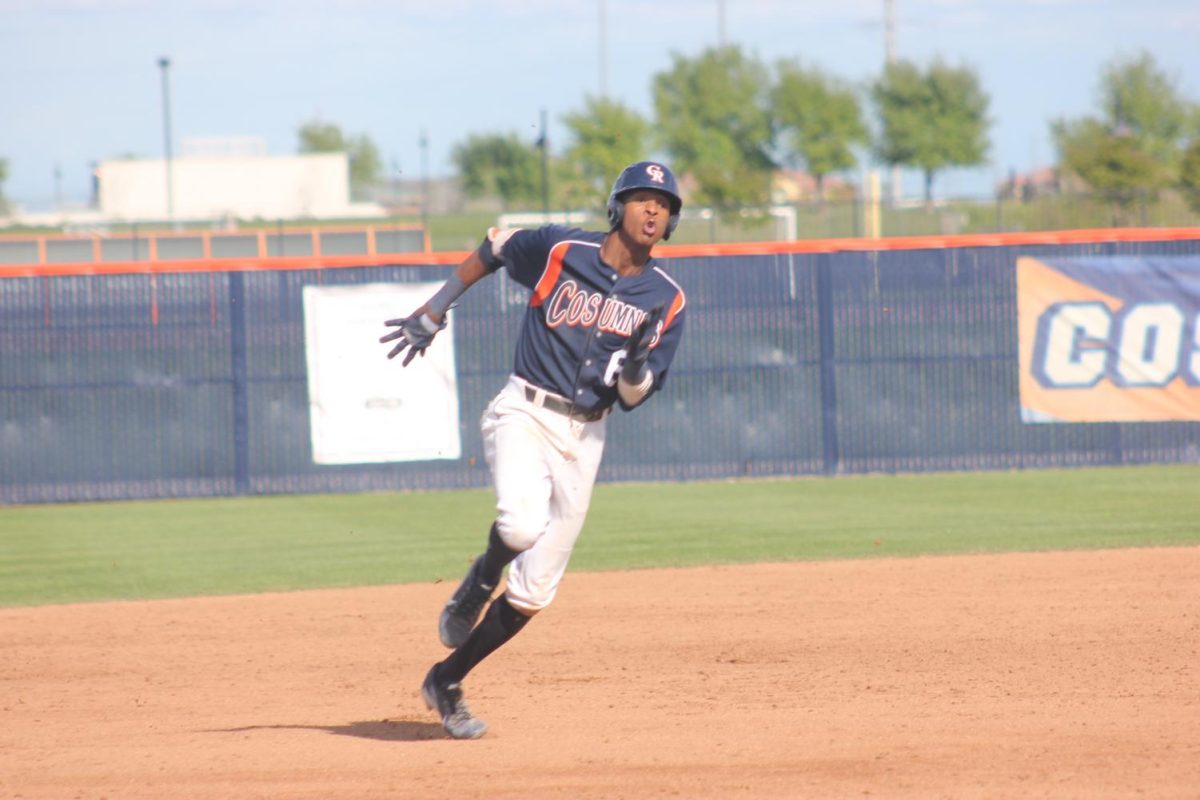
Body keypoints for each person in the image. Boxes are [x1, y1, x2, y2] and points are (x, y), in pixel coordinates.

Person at [380, 160, 688, 739]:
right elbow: (494, 245)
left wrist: (640, 365)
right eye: (642, 198)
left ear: (671, 222)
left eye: (664, 204)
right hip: (524, 408)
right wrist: (435, 307)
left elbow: (632, 398)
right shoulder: (560, 248)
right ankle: (478, 579)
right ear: (616, 206)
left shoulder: (666, 299)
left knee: (534, 592)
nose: (653, 210)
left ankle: (445, 680)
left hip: (586, 435)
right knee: (519, 526)